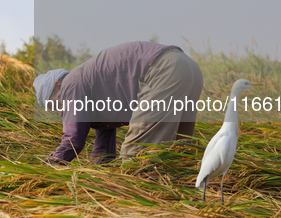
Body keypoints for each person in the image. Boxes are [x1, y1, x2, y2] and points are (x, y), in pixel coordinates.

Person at [34, 41, 204, 164]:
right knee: (176, 153)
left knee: (134, 158)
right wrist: (97, 176)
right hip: (189, 68)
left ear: (58, 86)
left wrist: (50, 165)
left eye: (54, 105)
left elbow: (73, 138)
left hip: (163, 70)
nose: (59, 112)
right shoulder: (91, 88)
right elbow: (103, 151)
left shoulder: (72, 82)